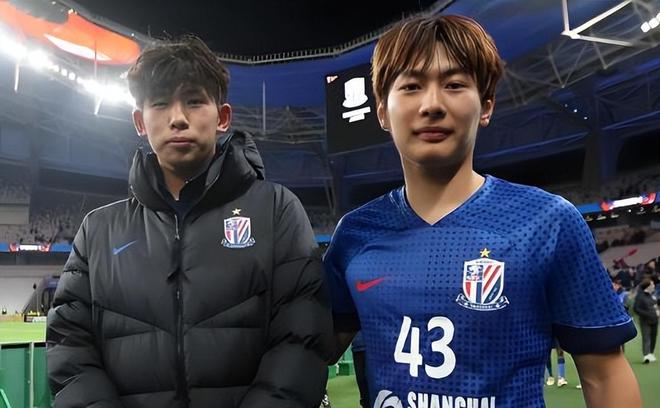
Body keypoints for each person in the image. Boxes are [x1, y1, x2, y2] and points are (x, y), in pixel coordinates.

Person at [324, 14, 641, 408]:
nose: (432, 104)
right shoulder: (354, 235)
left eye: (454, 84)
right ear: (383, 112)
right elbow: (309, 350)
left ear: (486, 105)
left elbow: (605, 377)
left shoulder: (547, 222)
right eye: (411, 86)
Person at [46, 36, 333, 407]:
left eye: (194, 101)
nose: (178, 118)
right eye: (160, 103)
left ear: (223, 117)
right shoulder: (98, 230)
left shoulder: (276, 210)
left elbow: (301, 338)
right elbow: (69, 346)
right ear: (139, 121)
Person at [633, 278, 658, 363]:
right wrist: (647, 314)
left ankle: (651, 353)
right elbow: (636, 308)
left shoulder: (652, 296)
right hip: (645, 320)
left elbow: (655, 306)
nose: (654, 286)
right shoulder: (640, 297)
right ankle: (646, 355)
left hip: (655, 320)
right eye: (652, 284)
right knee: (646, 337)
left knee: (653, 337)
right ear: (648, 286)